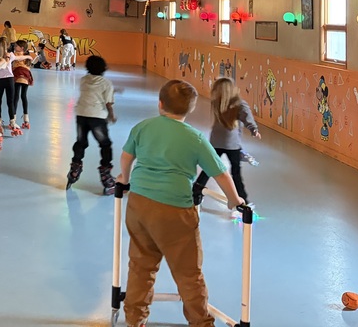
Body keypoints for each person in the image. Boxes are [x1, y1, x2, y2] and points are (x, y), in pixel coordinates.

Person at [116, 80, 244, 327]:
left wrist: (126, 179)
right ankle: (201, 322)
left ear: (160, 104)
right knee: (188, 274)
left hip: (139, 205)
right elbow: (220, 173)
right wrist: (233, 199)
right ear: (190, 109)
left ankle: (134, 318)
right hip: (174, 210)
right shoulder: (194, 138)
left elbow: (126, 157)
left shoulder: (143, 127)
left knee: (141, 266)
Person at [191, 77, 260, 207]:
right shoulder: (238, 104)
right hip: (232, 145)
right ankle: (242, 199)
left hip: (217, 142)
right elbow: (247, 118)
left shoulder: (219, 103)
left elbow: (246, 118)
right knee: (236, 173)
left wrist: (253, 129)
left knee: (208, 168)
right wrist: (254, 130)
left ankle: (196, 191)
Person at [66, 55, 117, 193]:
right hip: (97, 118)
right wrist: (111, 115)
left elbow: (94, 91)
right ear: (103, 68)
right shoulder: (106, 83)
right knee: (105, 144)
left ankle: (75, 169)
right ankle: (106, 176)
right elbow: (108, 102)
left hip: (82, 115)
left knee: (81, 142)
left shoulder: (84, 80)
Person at [11, 39, 34, 129]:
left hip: (18, 76)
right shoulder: (27, 57)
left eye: (16, 46)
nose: (14, 47)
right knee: (24, 96)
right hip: (26, 78)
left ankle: (14, 118)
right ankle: (26, 118)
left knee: (16, 97)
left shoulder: (16, 54)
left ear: (21, 48)